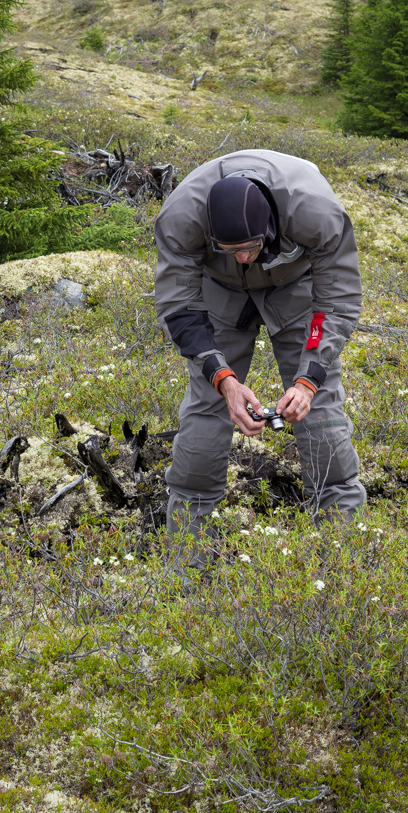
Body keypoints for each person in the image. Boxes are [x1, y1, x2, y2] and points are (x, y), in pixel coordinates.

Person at [154, 149, 366, 548]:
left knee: (317, 405)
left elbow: (335, 300)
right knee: (207, 404)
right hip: (218, 289)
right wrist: (224, 380)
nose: (244, 257)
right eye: (231, 248)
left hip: (295, 285)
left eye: (250, 246)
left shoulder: (314, 210)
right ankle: (187, 557)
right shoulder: (181, 217)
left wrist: (307, 380)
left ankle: (341, 557)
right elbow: (179, 308)